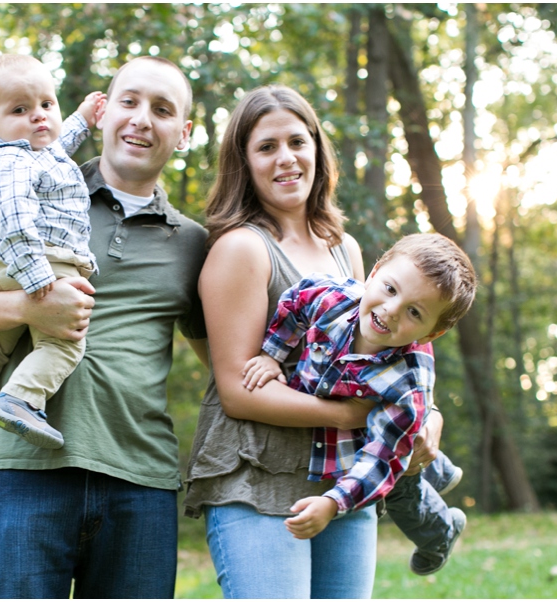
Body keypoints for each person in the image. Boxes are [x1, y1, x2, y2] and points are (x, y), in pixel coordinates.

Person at [0, 56, 206, 598]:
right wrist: (30, 310)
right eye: (129, 102)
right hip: (22, 471)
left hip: (140, 480)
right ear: (101, 114)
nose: (142, 119)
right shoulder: (33, 183)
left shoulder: (194, 244)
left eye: (162, 109)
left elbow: (225, 362)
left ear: (184, 133)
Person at [183, 85, 444, 599]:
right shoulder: (241, 248)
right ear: (244, 162)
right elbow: (237, 390)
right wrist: (352, 414)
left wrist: (426, 415)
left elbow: (388, 348)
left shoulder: (342, 246)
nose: (286, 158)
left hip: (340, 480)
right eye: (266, 147)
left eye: (297, 142)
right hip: (257, 478)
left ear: (317, 151)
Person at [242, 232, 476, 575]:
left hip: (381, 433)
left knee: (400, 483)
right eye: (390, 289)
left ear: (430, 334)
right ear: (374, 271)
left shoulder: (408, 384)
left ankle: (439, 529)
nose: (390, 310)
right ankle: (439, 468)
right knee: (403, 446)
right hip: (364, 408)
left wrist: (334, 502)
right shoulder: (331, 297)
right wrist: (271, 354)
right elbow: (295, 302)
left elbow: (382, 458)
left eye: (414, 311)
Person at [0, 53, 106, 454]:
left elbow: (58, 142)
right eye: (20, 109)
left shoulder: (30, 151)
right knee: (63, 342)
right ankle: (21, 400)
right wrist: (37, 278)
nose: (39, 117)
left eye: (47, 104)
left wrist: (82, 117)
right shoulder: (13, 161)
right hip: (39, 257)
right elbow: (14, 217)